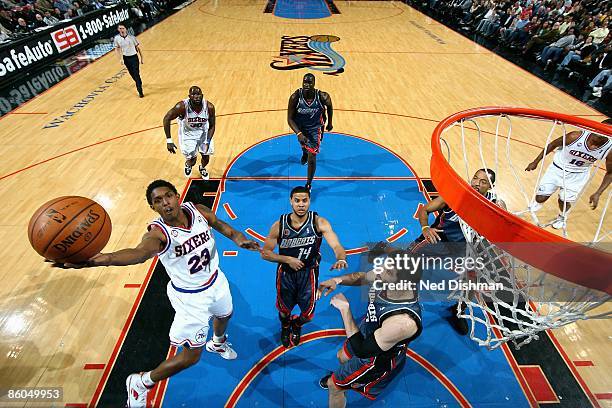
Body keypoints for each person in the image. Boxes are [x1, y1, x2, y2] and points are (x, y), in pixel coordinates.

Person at [53, 179, 260, 407]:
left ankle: (218, 342)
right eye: (158, 201)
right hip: (190, 298)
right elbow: (140, 253)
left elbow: (221, 225)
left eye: (168, 196)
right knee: (191, 357)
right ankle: (141, 382)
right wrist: (100, 260)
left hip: (215, 280)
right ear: (153, 208)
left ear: (177, 195)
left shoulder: (197, 210)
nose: (166, 203)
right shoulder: (158, 234)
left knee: (225, 314)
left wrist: (239, 238)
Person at [369, 169, 504, 335]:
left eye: (483, 182)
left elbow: (503, 221)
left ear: (491, 187)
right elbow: (424, 210)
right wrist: (426, 228)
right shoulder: (454, 196)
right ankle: (384, 277)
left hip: (464, 248)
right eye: (475, 178)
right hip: (438, 240)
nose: (477, 183)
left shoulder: (494, 202)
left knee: (472, 281)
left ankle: (458, 311)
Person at [316, 250, 422, 407]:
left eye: (388, 271)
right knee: (342, 357)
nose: (379, 271)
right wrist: (337, 280)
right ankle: (345, 379)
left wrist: (345, 310)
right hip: (367, 333)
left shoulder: (402, 322)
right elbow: (362, 277)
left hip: (375, 358)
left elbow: (362, 351)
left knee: (334, 385)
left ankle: (340, 385)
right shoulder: (388, 279)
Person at [261, 186, 347, 347]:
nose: (301, 204)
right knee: (284, 311)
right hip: (286, 274)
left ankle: (297, 324)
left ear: (309, 201)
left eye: (304, 201)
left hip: (309, 274)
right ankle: (286, 326)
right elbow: (265, 253)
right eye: (297, 201)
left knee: (308, 315)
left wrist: (341, 258)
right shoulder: (279, 225)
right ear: (291, 202)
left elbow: (336, 246)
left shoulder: (319, 222)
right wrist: (287, 259)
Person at [526, 119, 612, 229]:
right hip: (557, 169)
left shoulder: (609, 150)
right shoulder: (575, 136)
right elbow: (552, 145)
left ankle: (562, 217)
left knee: (564, 200)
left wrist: (598, 193)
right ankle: (538, 203)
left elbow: (610, 173)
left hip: (578, 176)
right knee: (540, 198)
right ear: (596, 126)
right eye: (601, 129)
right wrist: (535, 161)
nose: (601, 133)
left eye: (606, 132)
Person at [287, 73, 333, 192]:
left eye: (309, 82)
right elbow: (290, 119)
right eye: (305, 82)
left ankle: (308, 184)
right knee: (304, 147)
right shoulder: (295, 97)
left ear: (314, 84)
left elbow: (330, 107)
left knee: (313, 156)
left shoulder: (323, 96)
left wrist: (330, 123)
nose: (306, 84)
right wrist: (299, 133)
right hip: (301, 127)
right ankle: (304, 153)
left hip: (315, 129)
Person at [163, 86, 216, 179]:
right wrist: (169, 140)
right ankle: (188, 164)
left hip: (204, 133)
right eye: (194, 94)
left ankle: (202, 168)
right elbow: (166, 119)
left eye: (198, 94)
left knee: (206, 157)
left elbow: (212, 125)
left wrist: (207, 141)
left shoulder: (209, 107)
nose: (196, 96)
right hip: (188, 135)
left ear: (202, 95)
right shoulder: (181, 106)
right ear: (189, 96)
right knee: (192, 160)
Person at [113, 24, 144, 98]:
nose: (121, 30)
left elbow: (138, 48)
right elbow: (117, 49)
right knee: (132, 74)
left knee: (136, 73)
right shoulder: (117, 38)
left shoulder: (132, 37)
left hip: (134, 57)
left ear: (126, 29)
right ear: (118, 29)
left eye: (123, 28)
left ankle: (140, 91)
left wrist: (141, 58)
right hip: (126, 58)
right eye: (120, 28)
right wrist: (120, 59)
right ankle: (139, 82)